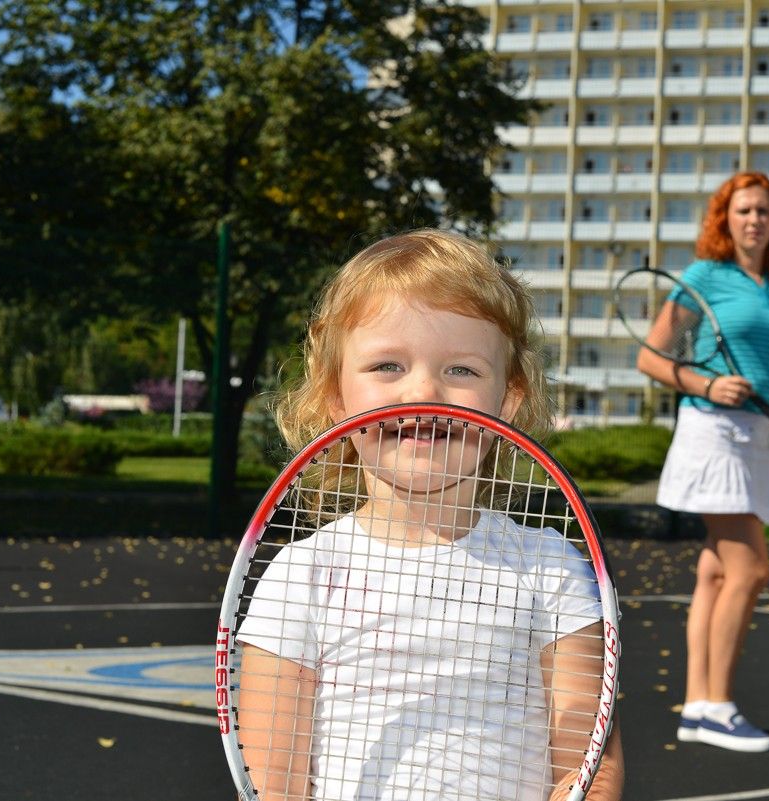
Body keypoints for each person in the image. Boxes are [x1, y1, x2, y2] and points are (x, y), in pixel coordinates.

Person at [236, 230, 624, 800]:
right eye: (387, 365)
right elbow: (272, 785)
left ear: (508, 401)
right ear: (336, 398)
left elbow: (589, 767)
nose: (424, 390)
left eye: (462, 370)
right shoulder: (302, 575)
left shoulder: (549, 568)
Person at [636, 172, 769, 753]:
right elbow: (651, 358)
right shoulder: (704, 277)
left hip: (759, 437)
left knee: (715, 573)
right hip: (711, 432)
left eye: (764, 211)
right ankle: (719, 707)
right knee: (750, 570)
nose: (754, 220)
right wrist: (707, 385)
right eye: (743, 210)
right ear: (725, 219)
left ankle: (697, 706)